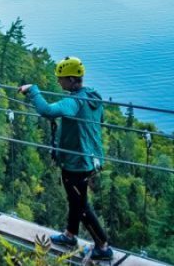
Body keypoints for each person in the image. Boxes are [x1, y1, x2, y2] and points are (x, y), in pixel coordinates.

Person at [19, 56, 113, 261]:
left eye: (61, 78)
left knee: (81, 204)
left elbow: (48, 111)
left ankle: (103, 246)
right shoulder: (91, 97)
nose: (58, 82)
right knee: (75, 199)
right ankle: (70, 236)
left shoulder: (74, 102)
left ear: (71, 80)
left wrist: (33, 90)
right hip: (89, 157)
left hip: (76, 163)